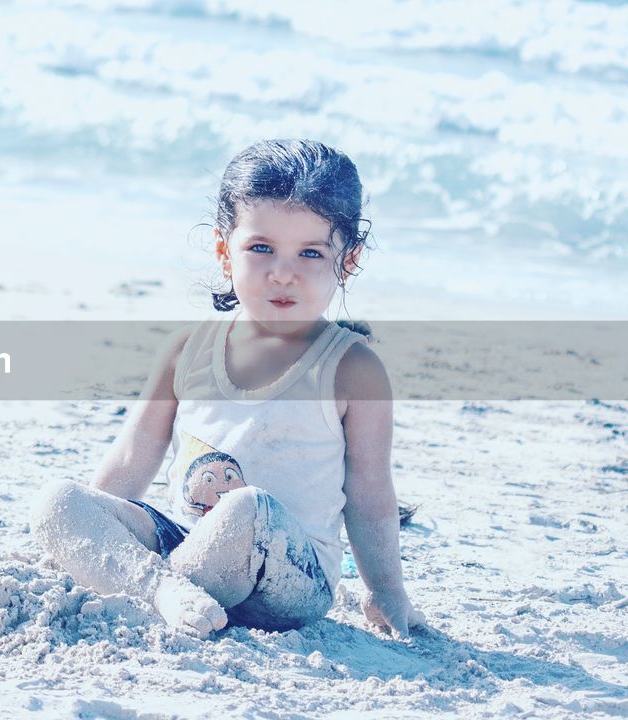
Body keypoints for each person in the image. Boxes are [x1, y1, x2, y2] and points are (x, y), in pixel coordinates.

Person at [32, 139, 426, 640]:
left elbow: (369, 493)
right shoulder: (187, 351)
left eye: (310, 253)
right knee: (59, 499)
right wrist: (95, 531)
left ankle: (159, 589)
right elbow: (131, 460)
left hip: (287, 574)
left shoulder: (351, 367)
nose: (282, 272)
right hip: (187, 553)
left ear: (347, 261)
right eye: (261, 248)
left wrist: (385, 592)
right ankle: (164, 591)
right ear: (225, 250)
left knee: (245, 508)